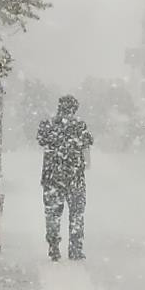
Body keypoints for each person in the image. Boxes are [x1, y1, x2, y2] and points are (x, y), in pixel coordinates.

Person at [37, 95, 94, 262]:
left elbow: (42, 141)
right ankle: (75, 248)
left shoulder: (48, 125)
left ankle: (53, 245)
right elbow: (86, 148)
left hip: (52, 176)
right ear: (74, 109)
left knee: (52, 214)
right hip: (74, 177)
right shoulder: (79, 126)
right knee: (76, 214)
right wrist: (84, 163)